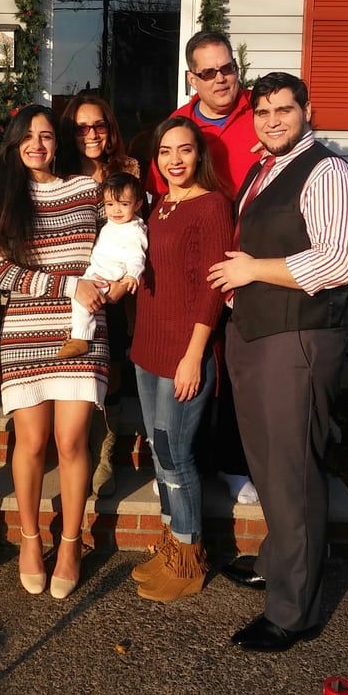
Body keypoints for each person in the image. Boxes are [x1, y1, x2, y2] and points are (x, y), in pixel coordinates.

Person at [208, 73, 348, 652]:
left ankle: (292, 612)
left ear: (307, 110)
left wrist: (252, 271)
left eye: (284, 109)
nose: (273, 120)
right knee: (270, 462)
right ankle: (279, 563)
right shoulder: (262, 168)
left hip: (298, 338)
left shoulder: (328, 172)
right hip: (257, 332)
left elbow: (341, 260)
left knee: (294, 470)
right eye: (264, 111)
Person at [0, 104, 108, 599]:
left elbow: (121, 241)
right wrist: (69, 284)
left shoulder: (88, 189)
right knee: (32, 443)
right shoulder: (1, 199)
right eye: (28, 136)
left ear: (58, 142)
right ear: (15, 143)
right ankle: (31, 539)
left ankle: (73, 541)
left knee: (73, 439)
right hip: (25, 332)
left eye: (46, 136)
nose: (38, 144)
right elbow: (3, 273)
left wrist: (109, 285)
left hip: (83, 331)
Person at [147, 29, 260, 505]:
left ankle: (233, 464)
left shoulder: (261, 114)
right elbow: (163, 189)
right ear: (193, 78)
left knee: (234, 368)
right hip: (202, 256)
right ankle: (184, 465)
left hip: (251, 258)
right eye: (209, 72)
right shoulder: (179, 127)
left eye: (227, 68)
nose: (221, 79)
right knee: (197, 364)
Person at [130, 116, 233, 603]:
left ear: (199, 156)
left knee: (176, 457)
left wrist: (195, 356)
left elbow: (213, 290)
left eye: (185, 150)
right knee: (159, 452)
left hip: (183, 354)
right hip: (147, 350)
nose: (175, 159)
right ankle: (172, 545)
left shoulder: (212, 207)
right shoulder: (159, 207)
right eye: (166, 151)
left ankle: (190, 558)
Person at [60, 92, 140, 497]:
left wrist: (128, 282)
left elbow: (141, 226)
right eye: (81, 127)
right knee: (78, 367)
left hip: (116, 284)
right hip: (72, 285)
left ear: (109, 129)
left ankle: (106, 452)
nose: (90, 134)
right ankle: (80, 449)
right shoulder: (59, 170)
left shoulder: (126, 170)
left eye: (99, 125)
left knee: (112, 368)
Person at [58, 172, 147, 359]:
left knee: (81, 298)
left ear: (137, 204)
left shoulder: (133, 231)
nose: (116, 210)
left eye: (124, 204)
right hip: (97, 271)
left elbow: (137, 256)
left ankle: (81, 338)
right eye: (110, 204)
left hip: (109, 275)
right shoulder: (111, 224)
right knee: (78, 293)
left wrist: (132, 275)